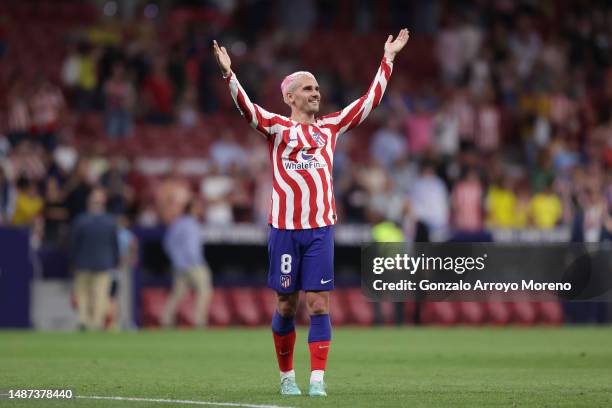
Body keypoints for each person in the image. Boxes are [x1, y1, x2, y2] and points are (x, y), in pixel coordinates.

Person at [213, 28, 409, 397]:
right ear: (289, 96)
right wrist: (229, 74)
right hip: (285, 229)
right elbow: (246, 109)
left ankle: (317, 379)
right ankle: (287, 376)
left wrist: (389, 58)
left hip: (320, 229)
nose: (315, 92)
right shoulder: (277, 127)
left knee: (319, 304)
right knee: (286, 305)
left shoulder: (330, 128)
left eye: (317, 88)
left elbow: (369, 102)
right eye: (307, 88)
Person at [70, 188, 119, 330]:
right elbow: (114, 245)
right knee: (100, 296)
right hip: (103, 264)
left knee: (83, 295)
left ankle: (84, 321)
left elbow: (73, 243)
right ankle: (96, 323)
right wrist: (115, 261)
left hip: (82, 264)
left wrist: (72, 260)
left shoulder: (80, 220)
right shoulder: (110, 221)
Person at [161, 198, 213, 329]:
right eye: (198, 207)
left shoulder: (183, 223)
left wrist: (177, 260)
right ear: (191, 209)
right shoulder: (187, 223)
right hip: (193, 264)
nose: (200, 210)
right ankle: (199, 321)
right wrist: (188, 260)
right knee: (205, 290)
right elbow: (183, 245)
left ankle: (166, 320)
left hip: (181, 265)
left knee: (178, 292)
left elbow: (168, 243)